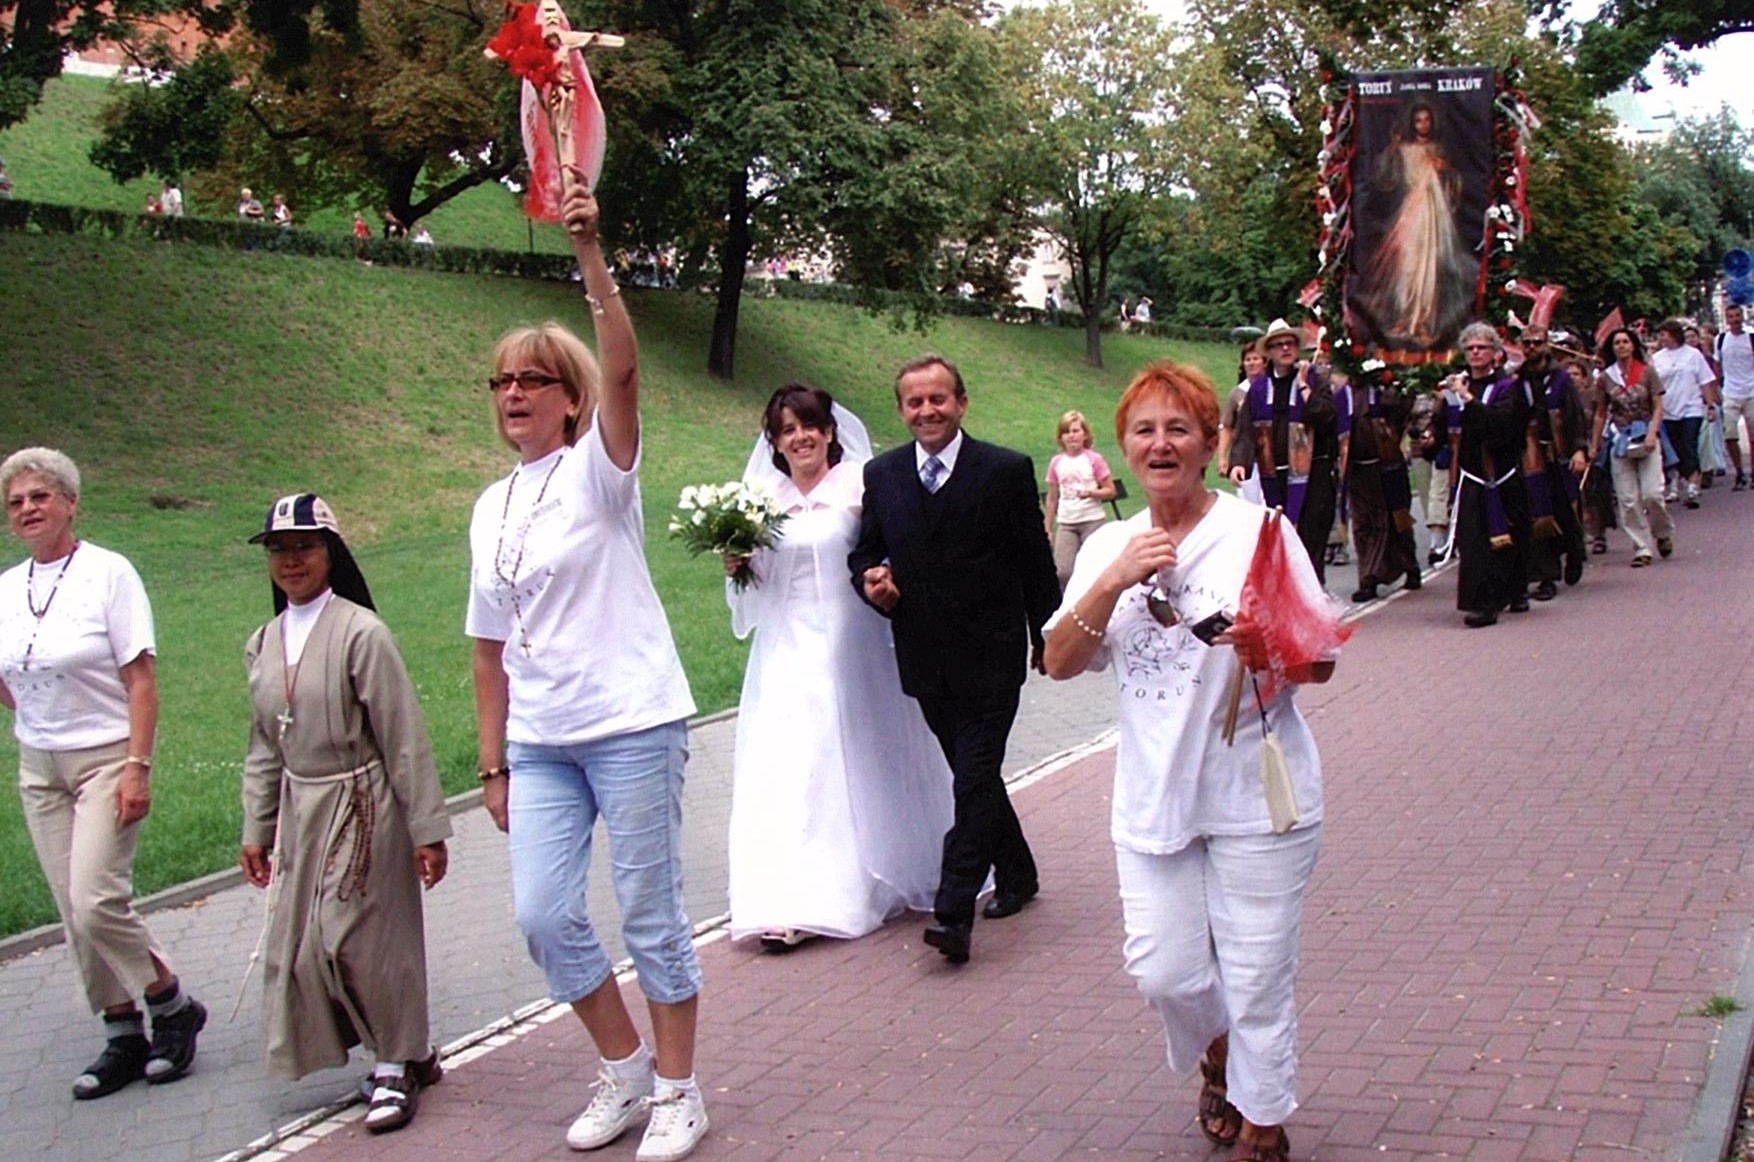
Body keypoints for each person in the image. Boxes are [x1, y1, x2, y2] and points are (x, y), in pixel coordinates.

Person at [466, 174, 708, 1161]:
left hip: (632, 721)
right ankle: (625, 1067)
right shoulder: (490, 506)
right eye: (500, 382)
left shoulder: (599, 473)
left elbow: (626, 371)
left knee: (649, 913)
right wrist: (492, 763)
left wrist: (589, 252)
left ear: (570, 399)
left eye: (533, 380)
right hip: (541, 740)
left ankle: (681, 1090)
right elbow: (487, 644)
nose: (513, 394)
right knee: (543, 915)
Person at [1043, 360, 1338, 1162]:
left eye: (1179, 429)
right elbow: (1058, 662)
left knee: (1258, 973)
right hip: (1154, 799)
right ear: (1125, 448)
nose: (1161, 444)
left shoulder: (1260, 533)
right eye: (1144, 430)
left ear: (1211, 444)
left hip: (1255, 796)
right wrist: (1112, 581)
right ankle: (1218, 1051)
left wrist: (1270, 643)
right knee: (1164, 973)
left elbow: (1320, 661)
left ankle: (1262, 1124)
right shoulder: (1110, 544)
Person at [239, 493, 451, 1133]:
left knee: (359, 940)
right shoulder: (263, 643)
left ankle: (393, 1064)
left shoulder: (362, 633)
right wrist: (257, 828)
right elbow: (263, 745)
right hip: (302, 808)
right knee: (307, 947)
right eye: (278, 549)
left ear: (331, 552)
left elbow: (403, 735)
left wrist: (426, 829)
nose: (291, 560)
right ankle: (411, 1051)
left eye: (304, 546)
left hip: (364, 805)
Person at [0, 448, 206, 1101]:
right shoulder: (6, 588)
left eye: (39, 496)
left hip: (106, 757)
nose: (27, 509)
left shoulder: (108, 574)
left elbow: (141, 679)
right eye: (16, 502)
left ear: (70, 503)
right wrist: (39, 713)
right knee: (72, 909)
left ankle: (171, 1005)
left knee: (95, 900)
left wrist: (137, 767)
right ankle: (122, 1033)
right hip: (40, 766)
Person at [849, 354, 1060, 967]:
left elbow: (1034, 563)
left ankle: (953, 911)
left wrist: (1048, 635)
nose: (927, 411)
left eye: (938, 399)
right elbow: (865, 554)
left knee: (970, 779)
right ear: (901, 410)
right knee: (977, 779)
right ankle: (1017, 872)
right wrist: (871, 581)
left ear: (961, 403)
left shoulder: (1004, 471)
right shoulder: (883, 475)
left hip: (993, 654)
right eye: (915, 402)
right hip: (924, 657)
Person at [722, 386, 951, 951]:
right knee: (788, 764)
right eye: (787, 430)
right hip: (785, 647)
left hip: (852, 642)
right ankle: (788, 896)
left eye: (809, 426)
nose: (800, 438)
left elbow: (892, 548)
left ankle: (860, 880)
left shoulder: (858, 485)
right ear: (775, 442)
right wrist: (739, 565)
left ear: (829, 432)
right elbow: (759, 585)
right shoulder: (760, 498)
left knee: (845, 755)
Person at [1360, 99, 1474, 349]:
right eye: (1418, 120)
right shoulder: (1404, 149)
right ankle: (1404, 316)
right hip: (1411, 212)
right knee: (1407, 266)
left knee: (1429, 266)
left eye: (1426, 120)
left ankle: (1423, 320)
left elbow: (1454, 182)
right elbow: (1384, 178)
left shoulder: (1438, 150)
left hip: (1433, 213)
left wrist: (1444, 172)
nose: (1423, 125)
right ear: (1413, 124)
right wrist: (1392, 149)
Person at [1447, 323, 1534, 627]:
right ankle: (1483, 602)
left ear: (1495, 352)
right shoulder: (1458, 386)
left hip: (1502, 470)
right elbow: (1450, 426)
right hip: (1472, 472)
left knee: (1511, 533)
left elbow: (1503, 424)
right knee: (1474, 539)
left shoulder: (1507, 387)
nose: (1475, 353)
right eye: (1470, 348)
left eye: (1481, 347)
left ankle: (1516, 589)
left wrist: (1469, 400)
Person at [1246, 320, 1341, 584]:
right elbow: (1246, 427)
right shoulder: (1259, 388)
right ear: (1270, 352)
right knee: (1283, 539)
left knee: (1311, 536)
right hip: (1275, 475)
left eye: (1290, 344)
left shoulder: (1315, 380)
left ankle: (1313, 591)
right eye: (1278, 345)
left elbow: (1327, 417)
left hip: (1314, 474)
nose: (1285, 349)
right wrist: (1239, 462)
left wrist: (1302, 386)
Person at [1514, 325, 1589, 600]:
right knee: (1539, 514)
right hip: (1531, 456)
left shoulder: (1561, 380)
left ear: (1546, 345)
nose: (1532, 347)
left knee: (1565, 511)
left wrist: (1579, 450)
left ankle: (1575, 551)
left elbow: (1575, 415)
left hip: (1560, 455)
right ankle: (1546, 576)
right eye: (1527, 343)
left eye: (1537, 342)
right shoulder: (1517, 381)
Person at [1589, 327, 1672, 567]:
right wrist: (1595, 443)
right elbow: (1600, 412)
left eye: (1625, 341)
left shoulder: (1647, 372)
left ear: (1633, 345)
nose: (1622, 346)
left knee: (1652, 494)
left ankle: (1663, 532)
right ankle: (1641, 547)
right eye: (1617, 343)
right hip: (1620, 440)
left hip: (1646, 435)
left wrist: (1652, 433)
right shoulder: (1606, 378)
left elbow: (1658, 405)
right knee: (1627, 498)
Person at [1339, 373, 1421, 602]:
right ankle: (1369, 578)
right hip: (1359, 470)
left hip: (1389, 466)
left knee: (1400, 520)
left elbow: (1405, 409)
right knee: (1364, 524)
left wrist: (1391, 384)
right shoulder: (1344, 394)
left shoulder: (1388, 388)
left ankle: (1410, 564)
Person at [1044, 409, 1117, 590]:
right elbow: (1052, 498)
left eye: (1076, 431)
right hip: (1067, 522)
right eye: (1067, 432)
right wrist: (1048, 529)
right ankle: (1071, 600)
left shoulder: (1094, 459)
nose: (1071, 436)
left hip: (1092, 520)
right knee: (1063, 571)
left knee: (1094, 568)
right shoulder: (1056, 463)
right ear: (1061, 437)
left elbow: (1110, 490)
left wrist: (1092, 493)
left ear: (1085, 434)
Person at [1651, 318, 1719, 509]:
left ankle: (1693, 486)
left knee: (1689, 444)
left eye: (1664, 334)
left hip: (1691, 407)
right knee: (1673, 448)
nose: (1661, 338)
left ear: (1674, 335)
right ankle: (1677, 481)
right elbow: (1652, 384)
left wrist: (1710, 405)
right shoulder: (1657, 358)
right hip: (1667, 410)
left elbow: (1705, 381)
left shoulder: (1693, 355)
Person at [1219, 346, 1265, 505]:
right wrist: (1222, 457)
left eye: (1256, 359)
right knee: (1249, 504)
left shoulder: (1271, 388)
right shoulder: (1237, 393)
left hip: (1269, 457)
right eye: (1248, 360)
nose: (1252, 363)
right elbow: (1227, 426)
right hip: (1246, 458)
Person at [1717, 305, 1754, 490]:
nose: (1735, 319)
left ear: (1742, 316)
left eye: (1737, 315)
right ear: (1726, 319)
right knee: (1730, 435)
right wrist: (1717, 388)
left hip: (1751, 391)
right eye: (1731, 316)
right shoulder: (1721, 340)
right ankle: (1739, 472)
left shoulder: (1751, 338)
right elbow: (1717, 365)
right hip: (1730, 392)